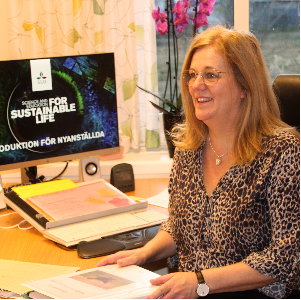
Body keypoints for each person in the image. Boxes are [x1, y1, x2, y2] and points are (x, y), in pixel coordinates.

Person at [96, 25, 300, 299]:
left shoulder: (283, 152)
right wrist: (144, 253)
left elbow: (288, 257)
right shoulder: (188, 146)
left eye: (211, 75)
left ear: (244, 85)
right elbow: (179, 226)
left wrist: (200, 282)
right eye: (192, 75)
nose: (196, 84)